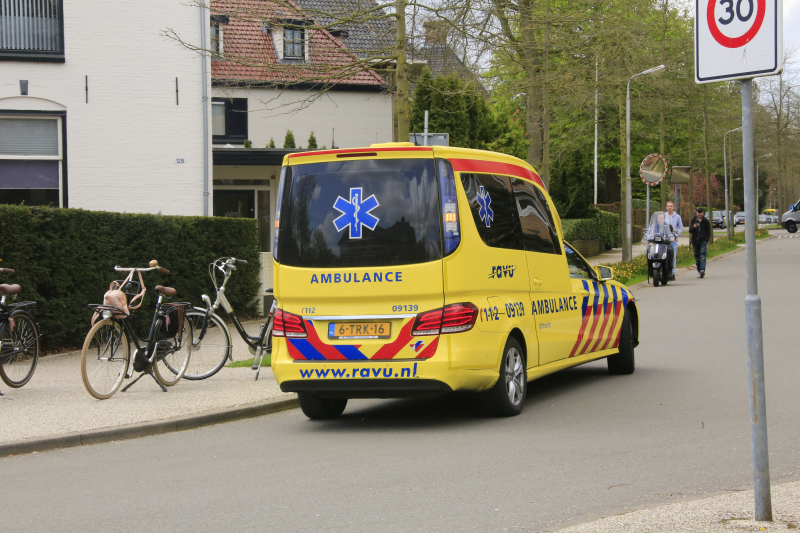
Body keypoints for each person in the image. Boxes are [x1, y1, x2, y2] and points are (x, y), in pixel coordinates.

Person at [688, 208, 711, 278]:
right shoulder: (693, 220)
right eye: (698, 214)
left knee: (703, 256)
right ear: (696, 213)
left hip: (702, 241)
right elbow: (690, 231)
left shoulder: (706, 221)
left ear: (703, 214)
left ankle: (702, 270)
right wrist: (694, 227)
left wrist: (706, 240)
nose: (699, 216)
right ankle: (699, 271)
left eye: (701, 215)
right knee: (697, 257)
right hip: (695, 241)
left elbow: (708, 232)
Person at [664, 201, 683, 280]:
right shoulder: (664, 216)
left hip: (673, 240)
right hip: (665, 240)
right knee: (665, 256)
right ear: (666, 207)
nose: (669, 207)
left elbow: (681, 228)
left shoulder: (677, 216)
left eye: (671, 206)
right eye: (668, 206)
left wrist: (676, 235)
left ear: (673, 207)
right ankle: (665, 272)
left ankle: (673, 273)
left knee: (673, 257)